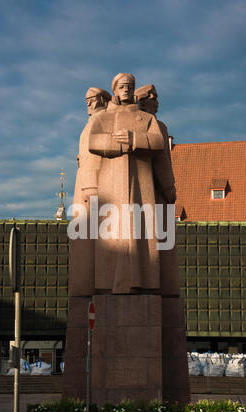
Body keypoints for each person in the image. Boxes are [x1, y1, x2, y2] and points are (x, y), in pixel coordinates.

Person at [86, 73, 165, 294]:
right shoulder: (103, 118)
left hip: (141, 183)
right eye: (122, 86)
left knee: (141, 233)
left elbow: (158, 141)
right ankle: (111, 282)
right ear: (115, 89)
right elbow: (93, 141)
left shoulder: (145, 118)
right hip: (110, 185)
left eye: (129, 87)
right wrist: (117, 144)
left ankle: (144, 282)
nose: (126, 90)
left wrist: (134, 139)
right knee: (113, 235)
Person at [135, 84, 180, 296]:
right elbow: (163, 160)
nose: (157, 102)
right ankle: (163, 287)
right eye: (153, 98)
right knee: (162, 246)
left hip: (136, 196)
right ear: (144, 101)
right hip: (157, 194)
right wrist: (169, 186)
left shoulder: (132, 126)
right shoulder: (157, 126)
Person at [69, 87, 111, 296]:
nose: (88, 103)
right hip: (84, 181)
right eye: (86, 100)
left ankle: (95, 285)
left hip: (92, 185)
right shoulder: (91, 122)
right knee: (84, 242)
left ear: (103, 99)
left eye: (92, 99)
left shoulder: (103, 120)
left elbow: (98, 157)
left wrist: (92, 187)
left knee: (96, 242)